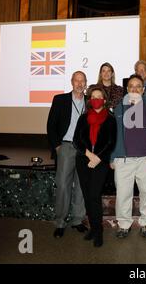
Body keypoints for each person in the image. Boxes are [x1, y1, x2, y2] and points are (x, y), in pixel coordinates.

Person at [110, 75, 146, 238]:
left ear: (143, 89)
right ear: (127, 89)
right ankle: (124, 225)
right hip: (123, 159)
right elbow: (113, 135)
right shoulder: (118, 108)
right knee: (123, 194)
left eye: (138, 86)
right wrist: (112, 157)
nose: (134, 89)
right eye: (131, 86)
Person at [46, 71, 89, 238]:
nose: (79, 84)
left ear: (86, 84)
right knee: (63, 185)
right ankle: (60, 222)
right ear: (72, 82)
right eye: (76, 80)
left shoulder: (90, 103)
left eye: (82, 81)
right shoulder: (60, 100)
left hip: (83, 150)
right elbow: (51, 125)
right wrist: (57, 146)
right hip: (66, 147)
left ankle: (78, 220)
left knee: (81, 186)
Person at [73, 86, 117, 247]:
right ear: (90, 100)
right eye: (93, 96)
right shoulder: (83, 118)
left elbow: (111, 142)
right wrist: (89, 155)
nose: (96, 99)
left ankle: (98, 232)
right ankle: (93, 228)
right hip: (84, 160)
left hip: (101, 162)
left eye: (99, 96)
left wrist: (97, 157)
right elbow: (76, 140)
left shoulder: (111, 119)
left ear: (104, 101)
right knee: (87, 196)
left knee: (94, 195)